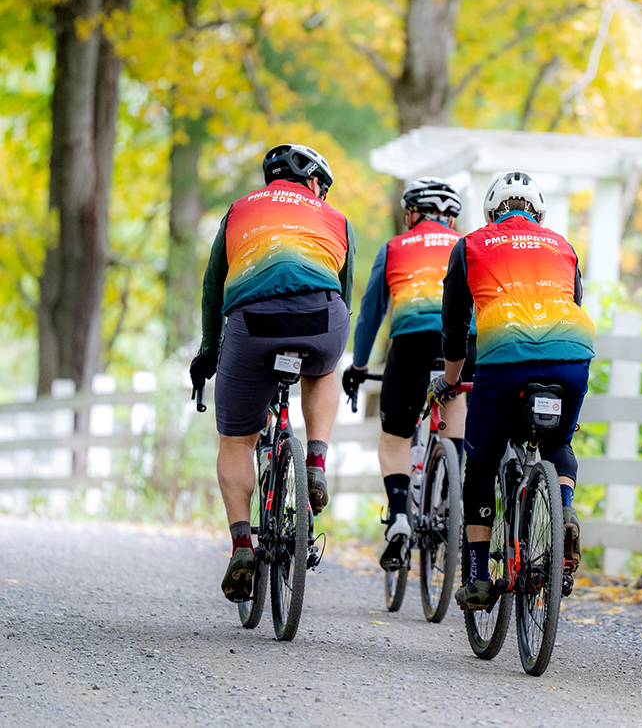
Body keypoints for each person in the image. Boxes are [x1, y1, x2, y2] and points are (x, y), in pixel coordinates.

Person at [190, 144, 354, 602]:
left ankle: (242, 543)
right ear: (315, 182)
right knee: (324, 369)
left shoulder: (239, 210)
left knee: (236, 440)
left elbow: (211, 287)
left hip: (252, 325)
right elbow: (346, 290)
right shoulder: (335, 217)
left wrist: (209, 352)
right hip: (321, 319)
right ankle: (315, 460)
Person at [427, 170, 595, 609]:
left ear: (490, 212)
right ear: (538, 213)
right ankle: (563, 511)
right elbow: (575, 299)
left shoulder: (471, 244)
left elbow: (454, 325)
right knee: (559, 440)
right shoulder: (562, 245)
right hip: (572, 354)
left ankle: (480, 578)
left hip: (505, 360)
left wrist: (450, 380)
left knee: (480, 466)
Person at [342, 177, 468, 571]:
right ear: (452, 217)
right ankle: (451, 499)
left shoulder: (395, 247)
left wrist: (359, 365)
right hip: (462, 345)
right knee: (455, 401)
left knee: (395, 436)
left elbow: (370, 314)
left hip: (410, 344)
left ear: (412, 213)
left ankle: (399, 514)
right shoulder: (467, 245)